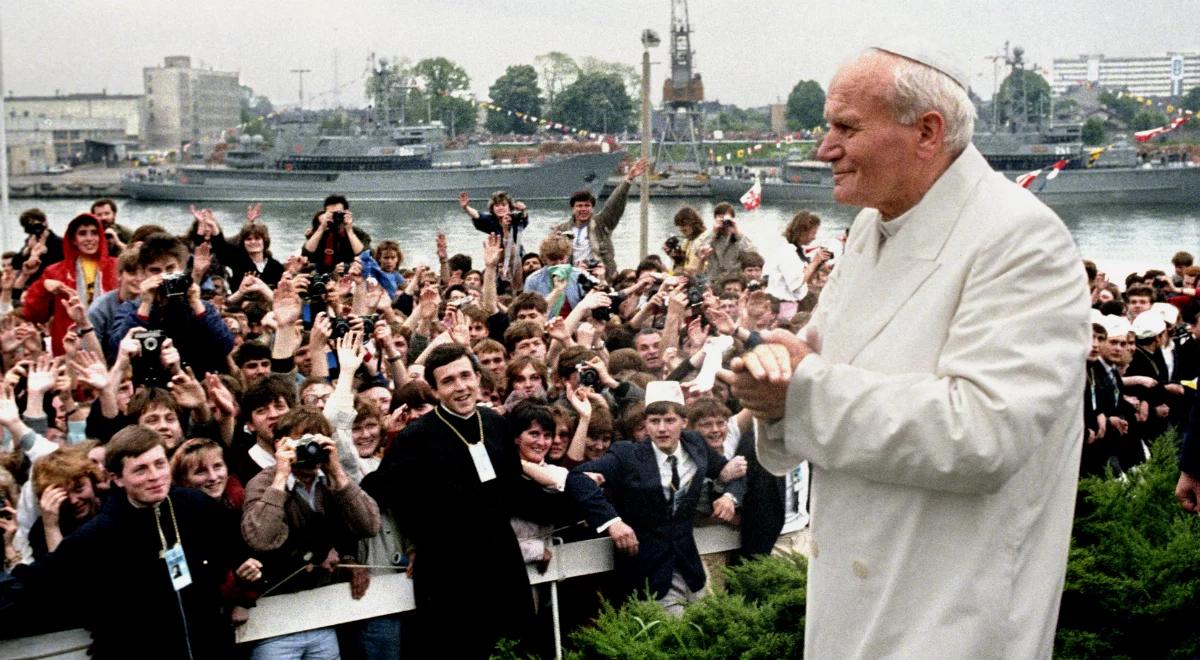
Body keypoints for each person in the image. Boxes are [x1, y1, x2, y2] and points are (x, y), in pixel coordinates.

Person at [727, 46, 1089, 657]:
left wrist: (802, 390)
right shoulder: (873, 225)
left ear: (927, 132)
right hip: (855, 600)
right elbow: (824, 369)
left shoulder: (1021, 240)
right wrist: (778, 372)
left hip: (950, 613)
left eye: (846, 127)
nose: (824, 148)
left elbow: (984, 432)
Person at [364, 344, 569, 658]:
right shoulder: (415, 438)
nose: (460, 387)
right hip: (448, 573)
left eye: (465, 376)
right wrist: (413, 540)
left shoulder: (495, 423)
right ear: (435, 390)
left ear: (477, 377)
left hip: (502, 563)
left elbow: (515, 491)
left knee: (515, 650)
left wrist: (583, 501)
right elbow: (377, 494)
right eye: (448, 381)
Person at [8, 427, 242, 659]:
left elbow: (236, 553)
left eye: (160, 464)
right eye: (140, 470)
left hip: (208, 646)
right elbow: (38, 583)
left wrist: (244, 595)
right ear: (116, 478)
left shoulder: (194, 504)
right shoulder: (100, 532)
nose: (154, 476)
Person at [565, 385, 746, 616]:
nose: (661, 429)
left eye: (669, 420)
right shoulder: (627, 455)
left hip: (690, 569)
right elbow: (577, 478)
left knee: (706, 633)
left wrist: (730, 497)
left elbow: (733, 471)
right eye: (654, 421)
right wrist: (613, 522)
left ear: (684, 422)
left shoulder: (695, 445)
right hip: (647, 573)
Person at [21, 213, 118, 356]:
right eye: (82, 234)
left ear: (101, 237)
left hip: (110, 348)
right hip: (68, 349)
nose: (89, 238)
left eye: (94, 233)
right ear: (73, 240)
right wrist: (43, 287)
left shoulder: (117, 267)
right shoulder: (54, 272)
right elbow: (34, 315)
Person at [550, 158, 648, 278]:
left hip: (601, 278)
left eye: (587, 205)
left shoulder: (601, 223)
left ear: (592, 208)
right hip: (572, 279)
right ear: (572, 208)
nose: (583, 209)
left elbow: (613, 204)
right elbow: (551, 255)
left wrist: (628, 179)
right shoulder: (561, 229)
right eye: (579, 206)